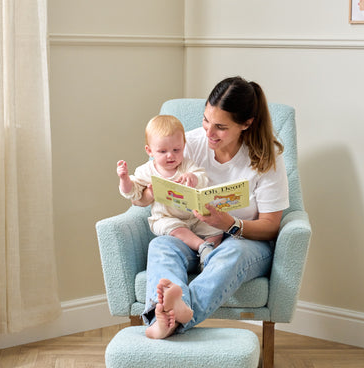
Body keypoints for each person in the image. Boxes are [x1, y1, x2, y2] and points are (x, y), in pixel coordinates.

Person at [131, 76, 289, 340]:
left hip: (244, 241)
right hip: (194, 233)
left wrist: (229, 224)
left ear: (246, 124)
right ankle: (173, 313)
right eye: (205, 119)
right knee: (160, 246)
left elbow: (271, 226)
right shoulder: (189, 143)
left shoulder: (265, 158)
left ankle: (174, 317)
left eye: (220, 127)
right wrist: (148, 191)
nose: (208, 132)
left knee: (232, 254)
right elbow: (151, 178)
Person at [117, 115, 223, 277]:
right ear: (149, 151)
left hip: (193, 217)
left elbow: (202, 177)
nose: (170, 156)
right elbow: (132, 192)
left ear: (183, 146)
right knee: (174, 227)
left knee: (216, 230)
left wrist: (193, 178)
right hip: (166, 218)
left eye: (176, 150)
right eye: (162, 151)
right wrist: (125, 179)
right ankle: (202, 246)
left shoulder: (186, 164)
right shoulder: (146, 171)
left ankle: (206, 257)